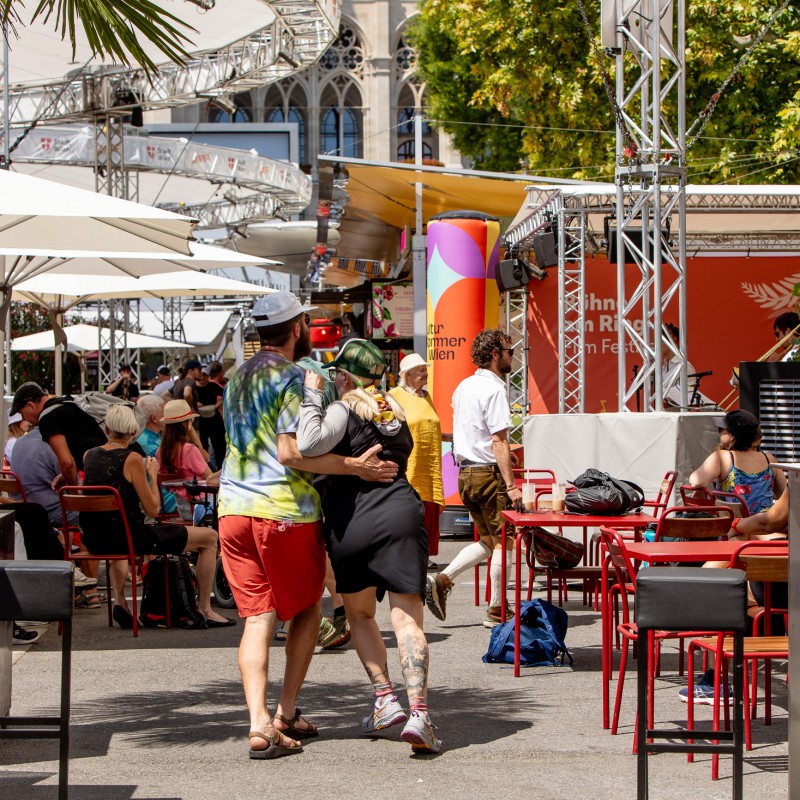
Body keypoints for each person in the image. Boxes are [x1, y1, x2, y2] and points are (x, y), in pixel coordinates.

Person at [217, 291, 398, 760]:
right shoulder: (297, 377)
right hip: (284, 512)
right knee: (306, 612)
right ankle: (285, 711)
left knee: (257, 618)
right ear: (297, 327)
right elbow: (293, 452)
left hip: (232, 509)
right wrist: (356, 467)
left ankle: (258, 722)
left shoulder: (236, 379)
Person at [296, 338, 441, 753]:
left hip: (351, 521)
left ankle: (384, 699)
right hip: (400, 513)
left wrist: (310, 396)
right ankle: (419, 714)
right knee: (408, 619)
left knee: (360, 615)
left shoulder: (342, 408)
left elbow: (308, 444)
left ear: (343, 375)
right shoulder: (394, 411)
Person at [81, 404, 233, 629]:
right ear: (133, 433)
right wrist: (152, 473)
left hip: (95, 539)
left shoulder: (89, 455)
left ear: (106, 429)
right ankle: (204, 607)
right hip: (132, 538)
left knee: (118, 536)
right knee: (209, 537)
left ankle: (120, 600)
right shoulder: (131, 458)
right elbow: (153, 509)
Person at [425, 329, 522, 628]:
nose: (511, 356)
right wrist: (511, 485)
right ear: (495, 354)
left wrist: (502, 458)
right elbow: (499, 441)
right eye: (508, 351)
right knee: (504, 543)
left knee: (489, 541)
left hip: (466, 473)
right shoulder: (494, 390)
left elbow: (469, 432)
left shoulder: (463, 387)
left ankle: (443, 579)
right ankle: (496, 611)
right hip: (488, 475)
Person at [389, 353, 446, 570]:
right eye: (420, 369)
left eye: (425, 368)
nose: (425, 372)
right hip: (408, 463)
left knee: (429, 507)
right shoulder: (394, 396)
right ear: (408, 374)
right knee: (409, 509)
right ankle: (405, 555)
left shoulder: (425, 396)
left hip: (428, 464)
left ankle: (424, 553)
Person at [689, 409, 785, 515]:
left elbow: (696, 481)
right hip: (764, 524)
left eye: (721, 429)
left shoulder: (722, 457)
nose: (719, 432)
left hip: (733, 526)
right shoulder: (769, 459)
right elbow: (785, 493)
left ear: (732, 436)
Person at [11, 382, 107, 487]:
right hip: (118, 465)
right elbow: (89, 441)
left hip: (103, 473)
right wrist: (67, 475)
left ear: (31, 405)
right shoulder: (68, 402)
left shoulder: (46, 418)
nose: (24, 419)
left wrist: (72, 493)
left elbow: (67, 463)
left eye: (22, 414)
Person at [157, 399, 216, 522]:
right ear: (186, 424)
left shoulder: (161, 451)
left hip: (183, 507)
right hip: (201, 507)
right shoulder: (189, 450)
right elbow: (210, 478)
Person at [134, 394, 176, 515]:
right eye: (164, 412)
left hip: (165, 496)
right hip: (167, 500)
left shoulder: (146, 437)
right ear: (154, 418)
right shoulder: (148, 443)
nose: (168, 415)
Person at [197, 360, 227, 470]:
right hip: (201, 422)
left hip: (215, 421)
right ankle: (206, 470)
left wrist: (216, 405)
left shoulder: (213, 386)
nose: (203, 377)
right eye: (201, 375)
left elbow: (226, 394)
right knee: (202, 447)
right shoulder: (193, 387)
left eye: (205, 375)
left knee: (220, 449)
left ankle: (220, 470)